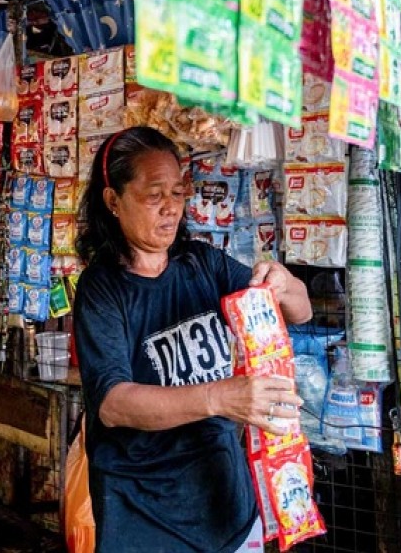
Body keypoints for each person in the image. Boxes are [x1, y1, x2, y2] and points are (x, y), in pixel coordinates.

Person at [73, 127, 312, 553]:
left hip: (227, 508)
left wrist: (282, 281)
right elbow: (113, 403)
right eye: (153, 194)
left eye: (178, 193)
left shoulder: (201, 264)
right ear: (113, 201)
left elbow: (300, 310)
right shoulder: (102, 290)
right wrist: (221, 398)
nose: (170, 208)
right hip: (147, 521)